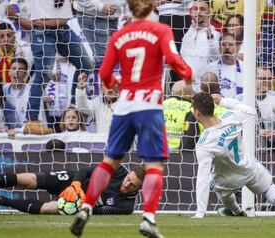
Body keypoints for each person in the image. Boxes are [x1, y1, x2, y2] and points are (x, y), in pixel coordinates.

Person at [70, 0, 193, 237]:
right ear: (151, 6)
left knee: (109, 161)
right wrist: (188, 74)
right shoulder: (161, 30)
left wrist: (115, 84)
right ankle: (148, 218)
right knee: (154, 164)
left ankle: (86, 207)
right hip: (148, 104)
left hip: (123, 105)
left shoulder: (119, 35)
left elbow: (104, 73)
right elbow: (174, 59)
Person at [191, 92, 275, 219]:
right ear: (213, 107)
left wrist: (200, 212)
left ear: (198, 113)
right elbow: (251, 111)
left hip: (227, 180)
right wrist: (223, 101)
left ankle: (236, 211)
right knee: (269, 187)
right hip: (248, 169)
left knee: (217, 187)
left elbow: (202, 179)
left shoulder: (203, 144)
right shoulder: (231, 116)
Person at [23, 0, 93, 135]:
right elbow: (13, 13)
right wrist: (24, 20)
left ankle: (73, 105)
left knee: (86, 64)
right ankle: (31, 120)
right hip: (43, 31)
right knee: (43, 75)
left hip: (64, 29)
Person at [0, 165, 144, 215]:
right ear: (128, 173)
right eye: (129, 179)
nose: (127, 185)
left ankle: (2, 200)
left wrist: (81, 202)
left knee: (48, 208)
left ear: (138, 189)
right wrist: (75, 185)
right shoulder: (117, 170)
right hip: (74, 181)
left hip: (81, 202)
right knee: (28, 180)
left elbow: (99, 212)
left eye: (132, 186)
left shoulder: (126, 207)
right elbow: (85, 171)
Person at [205, 32, 244, 99]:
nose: (227, 47)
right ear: (219, 49)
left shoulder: (245, 68)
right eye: (223, 44)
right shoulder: (210, 68)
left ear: (237, 48)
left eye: (230, 44)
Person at [163, 80, 199, 151]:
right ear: (187, 95)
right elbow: (190, 136)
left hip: (156, 154)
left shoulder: (160, 105)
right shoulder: (190, 108)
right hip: (179, 157)